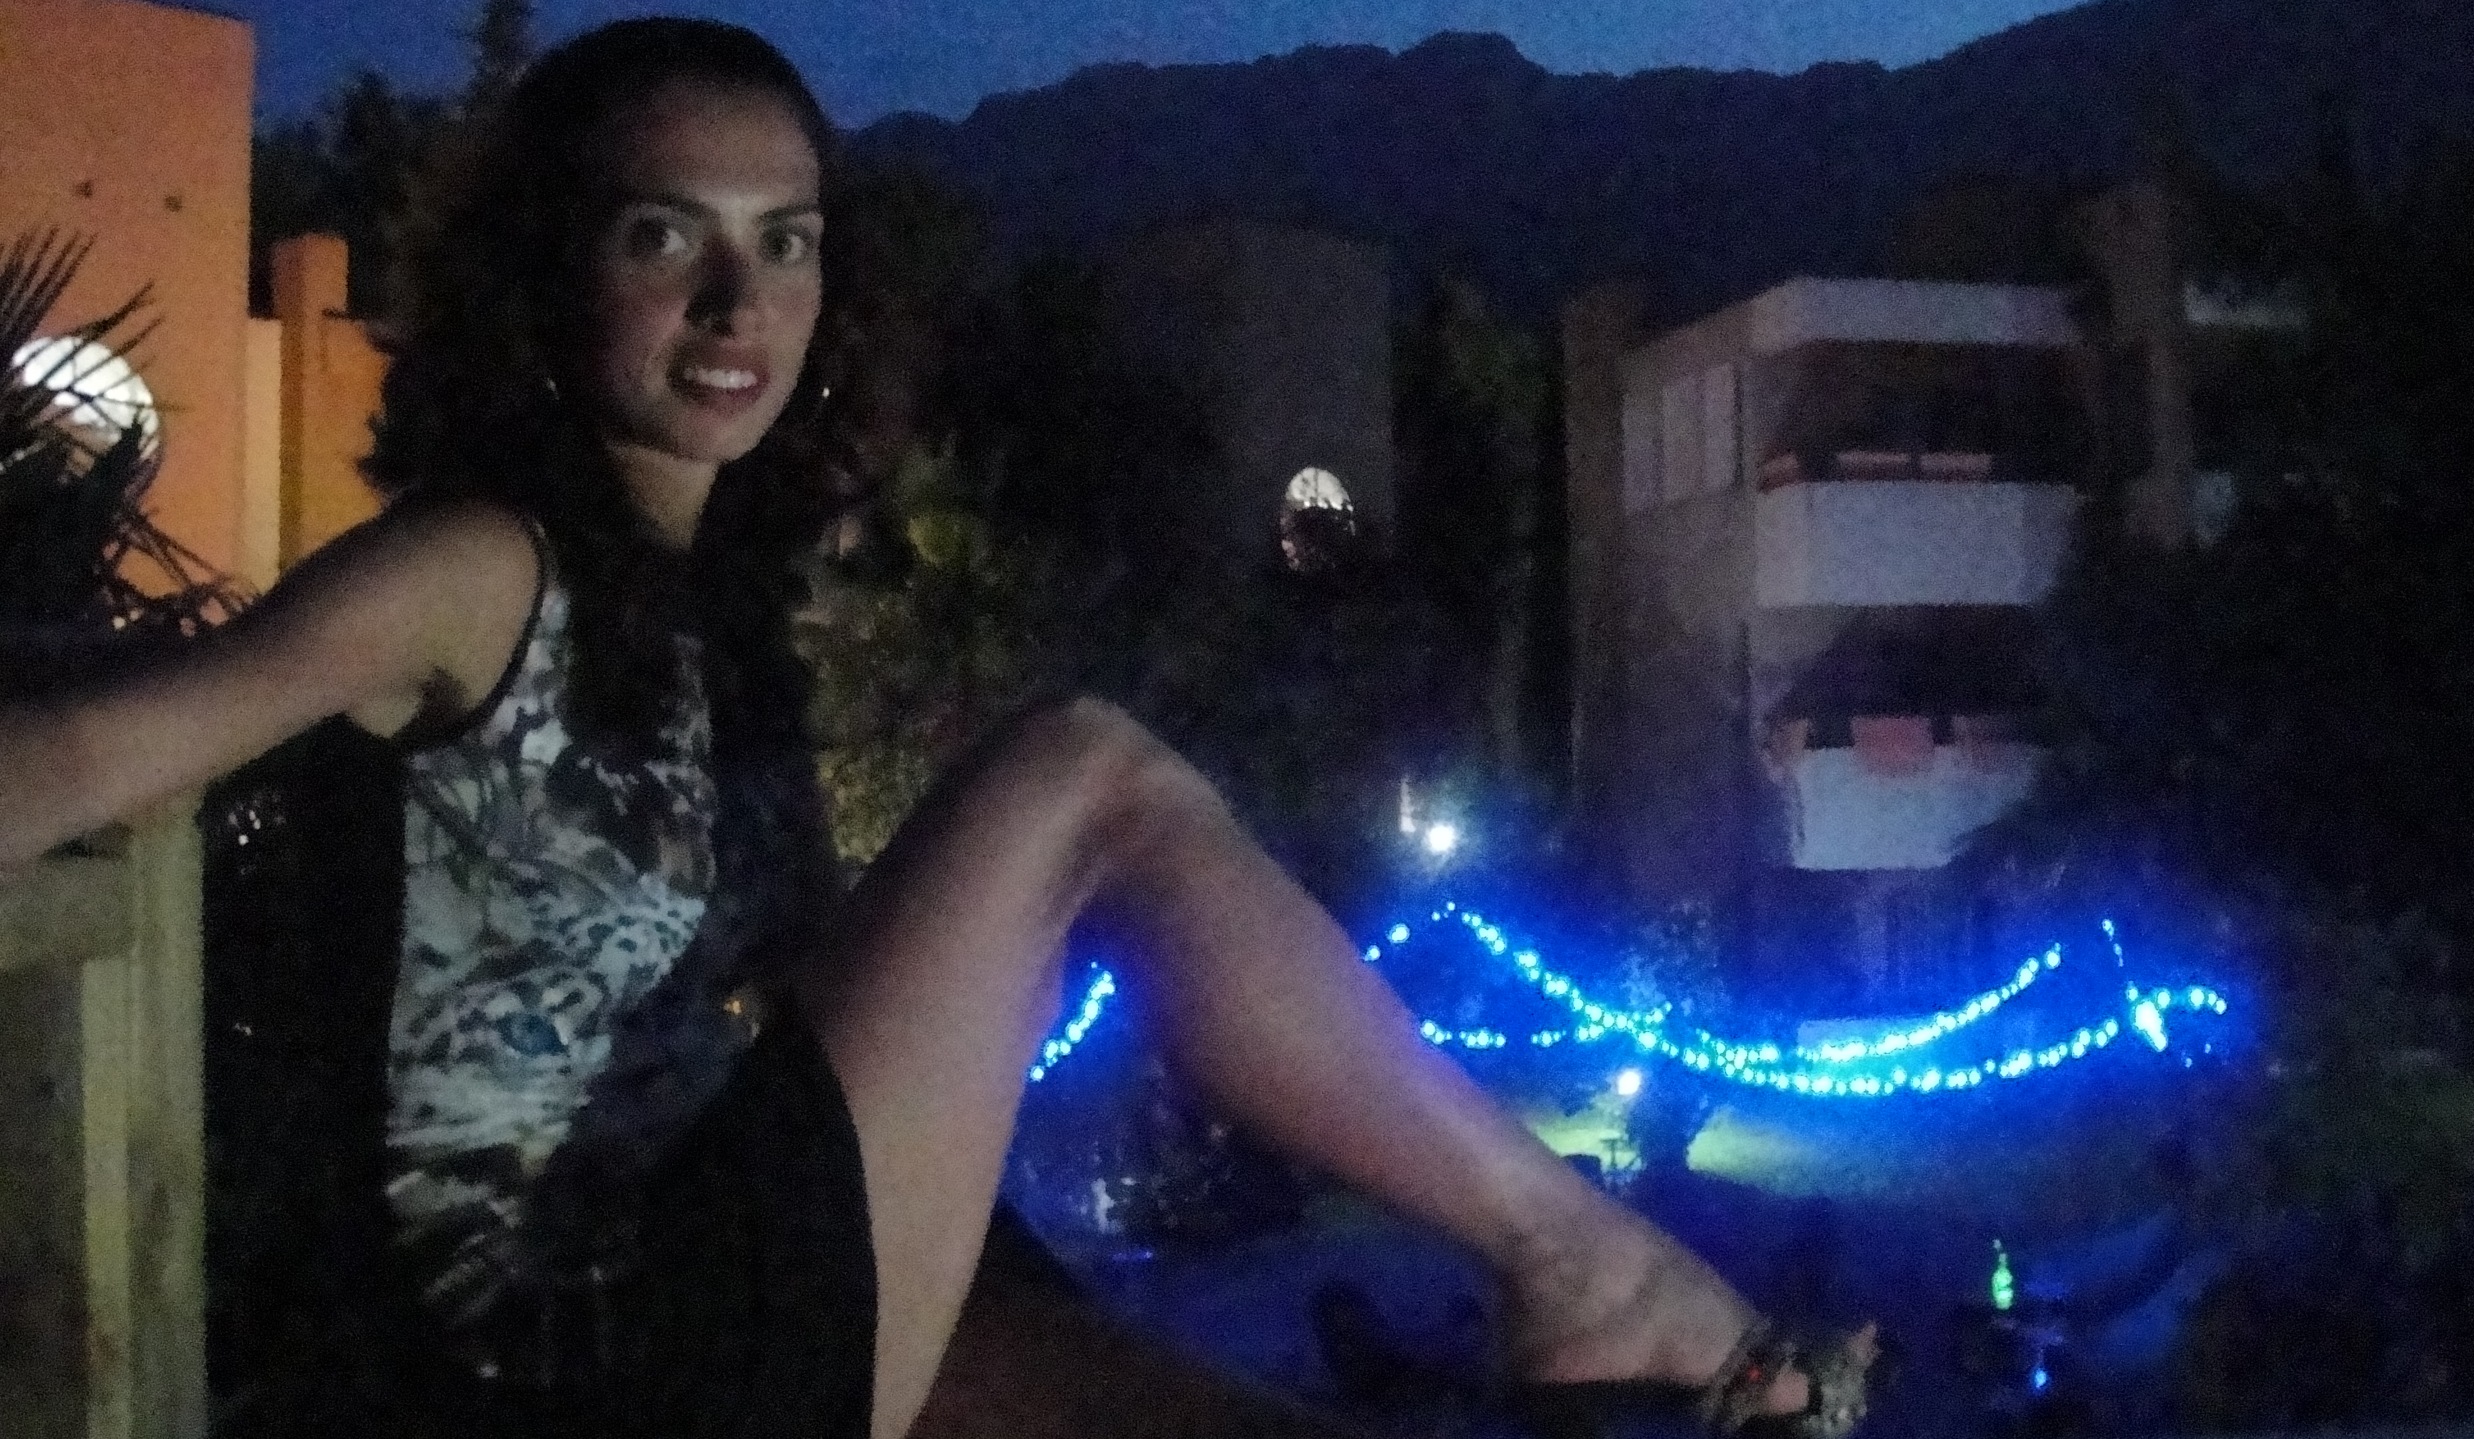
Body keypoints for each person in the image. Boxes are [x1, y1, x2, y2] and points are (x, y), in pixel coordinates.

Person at [0, 18, 1864, 1439]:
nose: (738, 303)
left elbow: (768, 1000)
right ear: (544, 276)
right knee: (1088, 778)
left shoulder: (711, 618)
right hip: (563, 1358)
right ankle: (1582, 1263)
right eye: (663, 234)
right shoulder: (476, 564)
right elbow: (86, 756)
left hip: (708, 1260)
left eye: (786, 242)